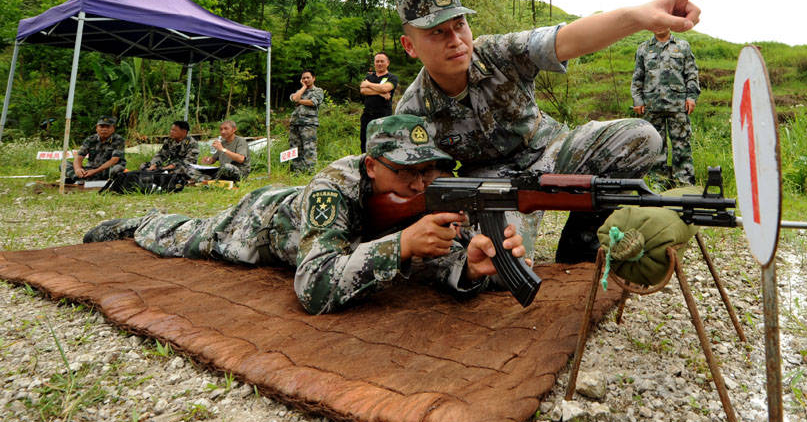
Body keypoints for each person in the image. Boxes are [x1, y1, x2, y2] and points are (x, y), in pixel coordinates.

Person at [394, 0, 724, 263]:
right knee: (500, 264)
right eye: (437, 32)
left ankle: (580, 241)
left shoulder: (496, 53)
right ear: (410, 46)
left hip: (552, 151)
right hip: (491, 188)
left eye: (459, 25)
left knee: (642, 137)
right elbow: (416, 184)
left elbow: (567, 39)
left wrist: (639, 17)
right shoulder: (411, 112)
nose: (455, 40)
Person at [82, 115, 528, 314]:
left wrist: (468, 269)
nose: (419, 184)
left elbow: (435, 265)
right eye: (406, 172)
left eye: (428, 171)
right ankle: (137, 221)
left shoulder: (427, 191)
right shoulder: (332, 189)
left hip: (331, 233)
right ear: (371, 165)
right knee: (185, 237)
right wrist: (402, 244)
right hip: (260, 224)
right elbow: (313, 288)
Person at [631, 28, 701, 186]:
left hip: (678, 106)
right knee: (656, 146)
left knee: (682, 145)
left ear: (670, 24)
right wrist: (638, 100)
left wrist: (691, 97)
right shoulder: (644, 48)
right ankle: (659, 183)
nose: (660, 26)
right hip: (652, 106)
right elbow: (638, 77)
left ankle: (684, 183)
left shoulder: (682, 46)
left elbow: (691, 73)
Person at [65, 115, 126, 183]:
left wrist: (94, 171)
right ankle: (81, 178)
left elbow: (114, 160)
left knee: (117, 169)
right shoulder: (90, 140)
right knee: (64, 164)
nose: (104, 129)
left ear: (113, 128)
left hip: (108, 170)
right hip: (90, 169)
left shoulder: (118, 140)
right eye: (102, 126)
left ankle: (82, 180)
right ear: (96, 128)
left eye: (108, 127)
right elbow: (79, 157)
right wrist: (77, 169)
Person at [359, 52, 399, 151]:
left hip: (383, 115)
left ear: (388, 63)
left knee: (383, 143)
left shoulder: (392, 77)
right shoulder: (369, 77)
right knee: (365, 143)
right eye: (377, 61)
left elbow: (386, 88)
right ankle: (366, 164)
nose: (379, 63)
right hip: (367, 115)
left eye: (382, 61)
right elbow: (363, 90)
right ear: (374, 63)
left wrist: (369, 85)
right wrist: (380, 92)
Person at [289, 69, 324, 174]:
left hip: (309, 123)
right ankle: (297, 170)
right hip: (295, 123)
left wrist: (299, 101)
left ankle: (310, 170)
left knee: (309, 147)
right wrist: (303, 87)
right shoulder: (299, 91)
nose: (306, 80)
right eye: (303, 78)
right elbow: (294, 98)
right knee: (295, 147)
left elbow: (313, 102)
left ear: (313, 78)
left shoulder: (318, 91)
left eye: (308, 77)